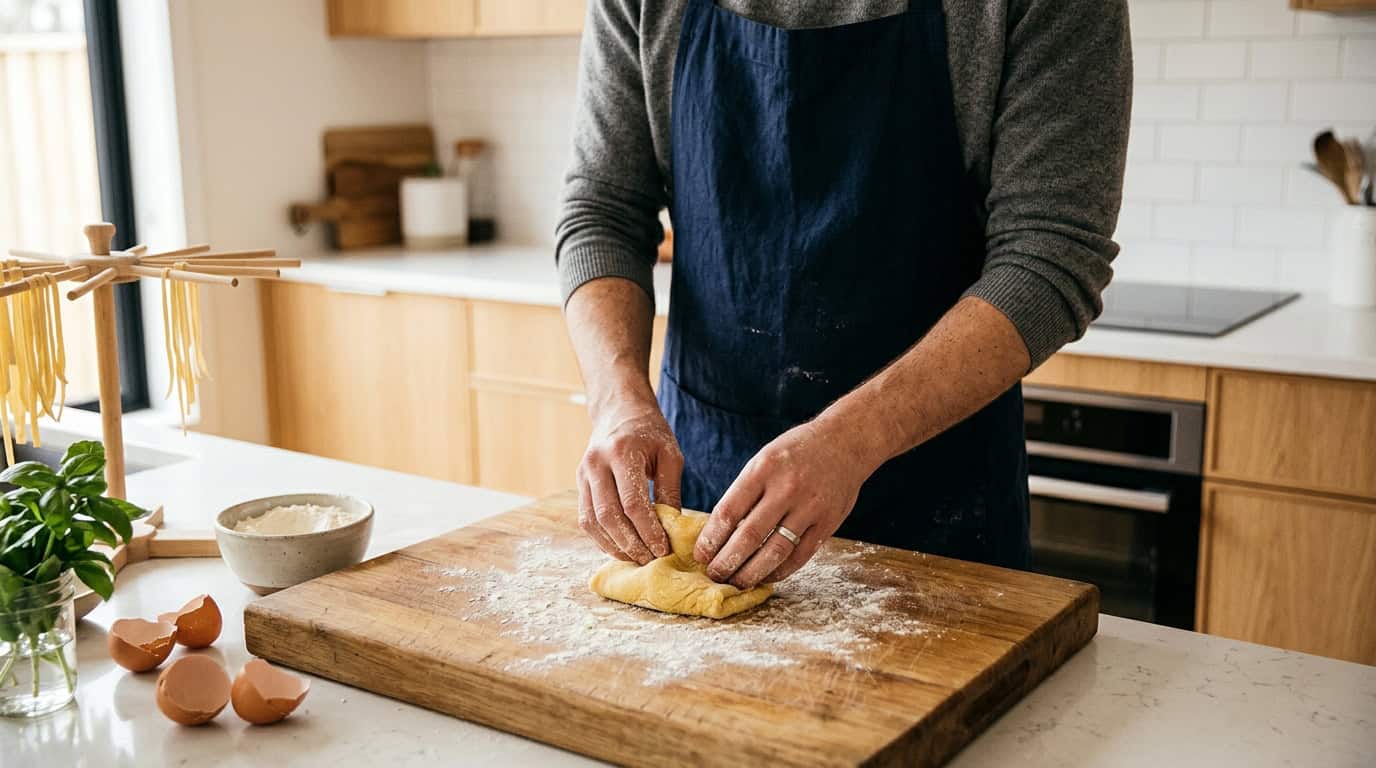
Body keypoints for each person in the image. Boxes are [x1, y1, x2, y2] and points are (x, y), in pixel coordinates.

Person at [558, 0, 1130, 590]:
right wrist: (616, 400)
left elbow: (1051, 252)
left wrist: (852, 441)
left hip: (938, 505)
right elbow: (601, 211)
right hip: (709, 482)